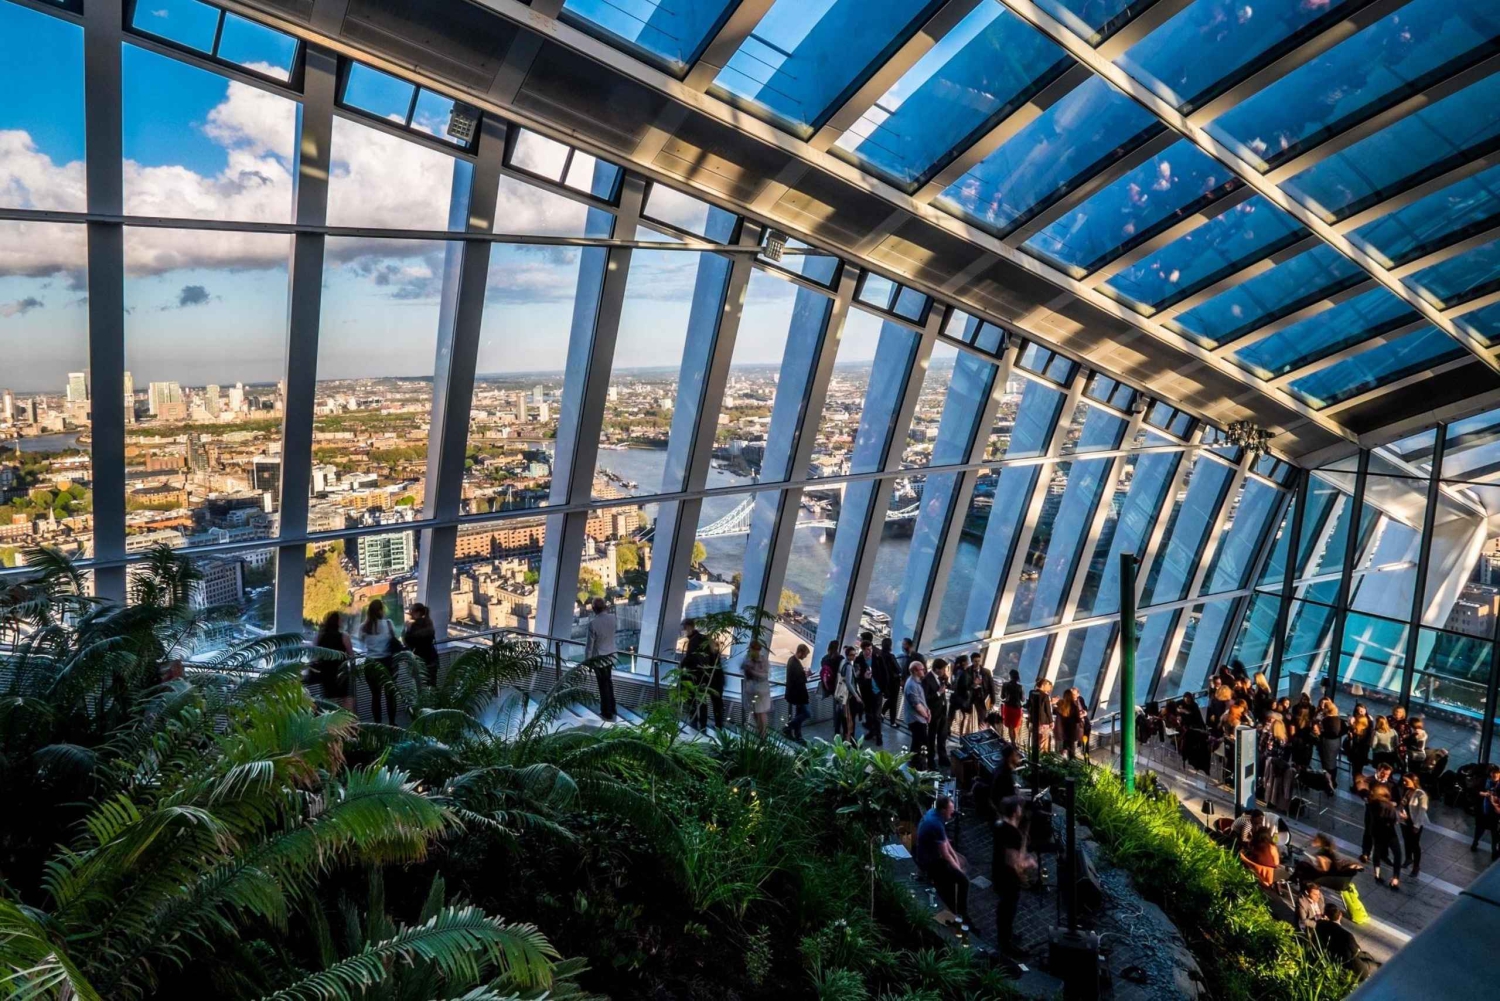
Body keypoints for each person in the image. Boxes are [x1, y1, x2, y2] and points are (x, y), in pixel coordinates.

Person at [991, 796, 1033, 958]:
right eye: (1019, 808)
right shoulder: (1011, 833)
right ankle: (1006, 943)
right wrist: (1029, 864)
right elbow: (1013, 860)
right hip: (1008, 878)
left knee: (1005, 909)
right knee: (1007, 910)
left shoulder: (999, 825)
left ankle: (1007, 936)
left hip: (998, 873)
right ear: (1015, 812)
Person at [916, 796, 968, 918]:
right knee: (963, 881)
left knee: (957, 868)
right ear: (943, 810)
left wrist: (955, 856)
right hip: (929, 861)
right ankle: (961, 914)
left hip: (930, 854)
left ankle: (955, 909)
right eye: (951, 809)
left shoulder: (934, 813)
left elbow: (945, 841)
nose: (953, 811)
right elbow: (945, 855)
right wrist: (959, 870)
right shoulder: (936, 824)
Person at [358, 599, 400, 724]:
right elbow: (395, 641)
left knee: (375, 697)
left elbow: (361, 645)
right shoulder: (388, 623)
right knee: (390, 695)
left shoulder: (363, 627)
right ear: (381, 610)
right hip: (388, 663)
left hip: (371, 664)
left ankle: (378, 724)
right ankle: (392, 723)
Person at [681, 619, 724, 731]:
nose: (684, 632)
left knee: (702, 701)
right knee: (717, 703)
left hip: (703, 677)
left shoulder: (694, 642)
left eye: (684, 629)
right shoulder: (706, 640)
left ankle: (701, 726)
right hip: (716, 677)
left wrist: (682, 665)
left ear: (689, 627)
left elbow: (691, 658)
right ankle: (719, 726)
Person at [1314, 905, 1372, 981]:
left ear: (1326, 915)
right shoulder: (1347, 935)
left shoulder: (1320, 925)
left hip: (1326, 957)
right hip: (1346, 962)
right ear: (1340, 915)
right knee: (1365, 968)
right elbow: (1356, 950)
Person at [582, 598, 617, 721]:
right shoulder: (613, 618)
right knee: (609, 682)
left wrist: (588, 661)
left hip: (599, 658)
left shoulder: (593, 624)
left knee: (603, 685)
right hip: (611, 655)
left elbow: (589, 646)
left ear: (593, 609)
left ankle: (606, 712)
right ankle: (612, 708)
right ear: (605, 607)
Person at [312, 611, 355, 711]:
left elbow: (315, 655)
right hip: (341, 672)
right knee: (346, 700)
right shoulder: (344, 636)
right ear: (338, 622)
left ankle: (332, 724)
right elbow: (351, 655)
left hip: (326, 673)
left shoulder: (319, 636)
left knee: (329, 701)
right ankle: (348, 724)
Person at [1366, 784, 1403, 889]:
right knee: (1397, 853)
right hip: (1389, 832)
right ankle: (1395, 878)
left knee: (1377, 851)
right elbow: (1394, 820)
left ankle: (1377, 874)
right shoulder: (1388, 806)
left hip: (1376, 830)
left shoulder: (1372, 803)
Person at [855, 639, 885, 746]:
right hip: (866, 692)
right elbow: (857, 677)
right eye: (867, 649)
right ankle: (872, 732)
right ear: (863, 650)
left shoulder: (877, 658)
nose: (869, 651)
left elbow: (884, 673)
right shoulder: (858, 660)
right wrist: (864, 677)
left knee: (876, 715)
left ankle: (879, 736)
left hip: (877, 691)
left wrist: (884, 688)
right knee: (869, 714)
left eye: (870, 649)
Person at [924, 658, 951, 767]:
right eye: (943, 669)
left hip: (943, 711)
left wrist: (946, 681)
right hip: (934, 713)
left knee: (942, 736)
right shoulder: (927, 679)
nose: (945, 671)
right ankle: (930, 760)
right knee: (931, 737)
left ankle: (943, 758)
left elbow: (948, 687)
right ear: (937, 669)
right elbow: (926, 698)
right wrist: (938, 693)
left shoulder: (941, 678)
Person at [1399, 773, 1428, 878]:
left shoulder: (1421, 794)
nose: (1404, 783)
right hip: (1405, 821)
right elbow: (1403, 805)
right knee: (1407, 841)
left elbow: (1422, 811)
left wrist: (1417, 825)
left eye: (1406, 781)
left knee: (1415, 845)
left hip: (1415, 822)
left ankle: (1416, 866)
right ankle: (1408, 858)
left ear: (1413, 781)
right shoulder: (1406, 791)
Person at [404, 603, 439, 689]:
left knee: (420, 688)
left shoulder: (414, 626)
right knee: (432, 686)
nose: (410, 613)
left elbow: (409, 642)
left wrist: (407, 630)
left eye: (411, 611)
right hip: (432, 658)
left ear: (418, 613)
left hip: (420, 660)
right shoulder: (429, 623)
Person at [904, 661, 931, 769]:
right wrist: (926, 715)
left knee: (917, 742)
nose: (924, 671)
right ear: (915, 671)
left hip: (919, 718)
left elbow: (921, 701)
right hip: (916, 719)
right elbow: (917, 705)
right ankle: (917, 764)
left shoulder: (916, 682)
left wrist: (927, 710)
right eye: (921, 669)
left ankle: (914, 762)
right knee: (920, 742)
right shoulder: (912, 685)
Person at [743, 638, 772, 737]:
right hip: (752, 690)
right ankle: (760, 731)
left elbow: (764, 675)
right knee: (756, 711)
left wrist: (752, 671)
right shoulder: (748, 659)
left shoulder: (763, 660)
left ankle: (763, 734)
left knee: (761, 712)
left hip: (761, 691)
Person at [1470, 763, 1500, 859]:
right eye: (1493, 773)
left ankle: (1494, 850)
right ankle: (1475, 843)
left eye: (1497, 773)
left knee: (1494, 832)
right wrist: (1484, 794)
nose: (1495, 775)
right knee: (1479, 829)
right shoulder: (1483, 781)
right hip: (1482, 810)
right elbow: (1475, 790)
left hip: (1494, 813)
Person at [783, 643, 811, 743]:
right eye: (805, 655)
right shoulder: (794, 663)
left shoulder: (792, 661)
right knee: (806, 713)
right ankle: (788, 727)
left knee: (799, 713)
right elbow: (798, 679)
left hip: (796, 693)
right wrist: (806, 675)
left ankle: (798, 734)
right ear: (800, 652)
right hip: (798, 694)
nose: (805, 657)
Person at [1025, 678, 1054, 754]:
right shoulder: (1045, 696)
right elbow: (1048, 710)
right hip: (1044, 721)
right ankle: (1039, 755)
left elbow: (1029, 705)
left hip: (1034, 719)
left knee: (1035, 737)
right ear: (1043, 685)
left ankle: (1034, 753)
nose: (1049, 688)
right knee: (1043, 738)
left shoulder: (1032, 692)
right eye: (1048, 685)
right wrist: (1051, 721)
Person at [1317, 699, 1344, 779]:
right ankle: (1332, 779)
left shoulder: (1326, 720)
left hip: (1328, 742)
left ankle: (1329, 780)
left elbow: (1322, 731)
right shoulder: (1339, 719)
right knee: (1332, 761)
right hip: (1336, 742)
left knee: (1327, 761)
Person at [879, 637, 902, 729]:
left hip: (885, 682)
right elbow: (898, 669)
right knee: (893, 701)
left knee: (891, 700)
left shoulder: (879, 656)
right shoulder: (891, 656)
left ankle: (882, 713)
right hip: (894, 681)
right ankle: (892, 722)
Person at [1346, 704, 1373, 781]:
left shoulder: (1369, 719)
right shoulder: (1355, 718)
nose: (1361, 711)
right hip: (1355, 746)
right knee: (1355, 767)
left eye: (1362, 710)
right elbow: (1351, 732)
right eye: (1359, 710)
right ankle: (1356, 782)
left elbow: (1369, 733)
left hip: (1362, 746)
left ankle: (1357, 782)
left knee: (1358, 768)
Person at [1055, 686, 1083, 760]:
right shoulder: (1074, 706)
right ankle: (1071, 760)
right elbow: (1077, 719)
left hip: (1062, 728)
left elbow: (1055, 712)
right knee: (1071, 745)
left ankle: (1063, 757)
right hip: (1071, 729)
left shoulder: (1060, 705)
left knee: (1065, 743)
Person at [1000, 669, 1024, 745]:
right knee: (1015, 726)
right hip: (1017, 708)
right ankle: (1014, 743)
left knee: (1010, 726)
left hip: (1008, 707)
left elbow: (1002, 697)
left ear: (1010, 676)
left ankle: (1013, 743)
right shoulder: (1020, 687)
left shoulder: (1005, 685)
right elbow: (1022, 699)